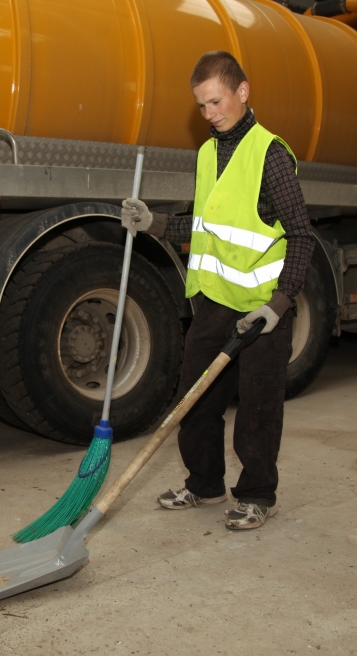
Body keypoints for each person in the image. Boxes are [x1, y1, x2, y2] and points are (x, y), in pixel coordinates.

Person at [121, 51, 314, 530]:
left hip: (263, 305)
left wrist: (281, 301)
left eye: (216, 101)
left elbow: (302, 235)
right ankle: (204, 483)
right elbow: (205, 225)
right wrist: (155, 223)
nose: (210, 114)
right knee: (196, 396)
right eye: (202, 106)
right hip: (214, 301)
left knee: (257, 404)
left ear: (242, 92)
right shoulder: (208, 153)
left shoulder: (269, 153)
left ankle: (256, 496)